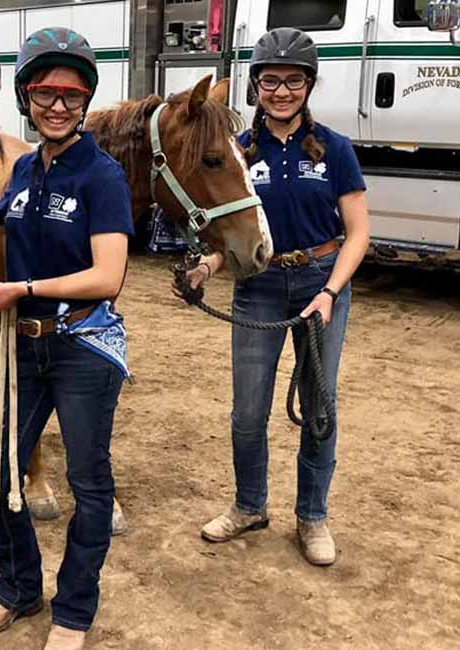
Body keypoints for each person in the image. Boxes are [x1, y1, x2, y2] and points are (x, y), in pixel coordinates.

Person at [0, 27, 134, 650]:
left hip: (82, 347)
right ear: (26, 98)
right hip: (20, 349)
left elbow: (107, 275)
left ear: (85, 98)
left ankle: (74, 610)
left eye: (70, 92)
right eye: (44, 92)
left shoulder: (103, 174)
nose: (57, 104)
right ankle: (18, 586)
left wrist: (24, 287)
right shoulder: (25, 170)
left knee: (89, 485)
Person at [180, 27, 370, 566]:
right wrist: (208, 266)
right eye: (270, 81)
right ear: (256, 86)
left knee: (319, 409)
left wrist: (331, 292)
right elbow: (235, 234)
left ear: (307, 85)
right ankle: (249, 505)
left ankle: (312, 517)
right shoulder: (239, 150)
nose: (281, 91)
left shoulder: (334, 148)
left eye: (292, 81)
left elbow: (357, 234)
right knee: (247, 412)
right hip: (258, 287)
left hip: (320, 282)